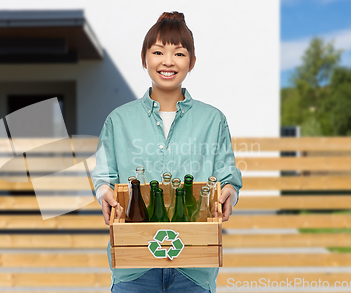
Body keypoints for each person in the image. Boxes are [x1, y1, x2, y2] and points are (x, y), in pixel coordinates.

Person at [91, 11, 242, 293]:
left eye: (180, 53)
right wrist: (104, 193)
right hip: (133, 266)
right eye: (158, 51)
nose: (168, 62)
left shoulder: (213, 120)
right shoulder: (118, 120)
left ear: (192, 62)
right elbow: (104, 175)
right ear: (144, 58)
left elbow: (227, 174)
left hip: (195, 267)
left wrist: (229, 193)